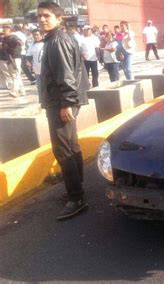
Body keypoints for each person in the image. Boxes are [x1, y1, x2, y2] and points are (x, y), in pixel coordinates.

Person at [37, 1, 90, 220]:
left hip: (62, 103)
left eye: (46, 16)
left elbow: (66, 75)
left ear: (59, 19)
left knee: (64, 149)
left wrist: (66, 103)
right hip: (61, 101)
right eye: (39, 16)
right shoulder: (54, 39)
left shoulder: (57, 40)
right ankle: (77, 187)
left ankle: (76, 198)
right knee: (71, 144)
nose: (41, 19)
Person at [1, 25, 25, 97]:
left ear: (10, 31)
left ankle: (14, 91)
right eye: (3, 30)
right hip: (9, 58)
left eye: (5, 31)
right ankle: (22, 90)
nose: (4, 32)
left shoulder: (13, 37)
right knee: (14, 75)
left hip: (15, 58)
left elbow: (20, 42)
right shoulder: (4, 38)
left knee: (15, 75)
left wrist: (17, 44)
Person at [25, 29, 44, 97]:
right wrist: (29, 63)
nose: (36, 36)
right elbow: (28, 55)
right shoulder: (32, 45)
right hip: (37, 70)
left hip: (47, 70)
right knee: (40, 87)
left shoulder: (46, 43)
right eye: (34, 35)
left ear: (41, 35)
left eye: (37, 35)